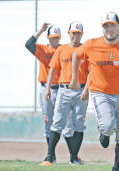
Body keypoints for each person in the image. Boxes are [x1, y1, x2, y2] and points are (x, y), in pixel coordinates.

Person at [71, 12, 119, 171]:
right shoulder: (91, 45)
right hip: (100, 92)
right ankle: (104, 131)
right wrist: (75, 79)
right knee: (109, 125)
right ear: (102, 28)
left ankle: (116, 169)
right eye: (106, 26)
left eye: (112, 25)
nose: (109, 29)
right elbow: (76, 55)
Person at [25, 23, 77, 162]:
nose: (55, 40)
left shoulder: (63, 50)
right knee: (48, 123)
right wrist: (41, 30)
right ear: (48, 37)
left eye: (57, 38)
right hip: (45, 89)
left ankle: (73, 155)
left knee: (67, 123)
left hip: (61, 89)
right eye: (52, 37)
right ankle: (51, 155)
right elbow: (29, 44)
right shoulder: (42, 49)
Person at [40, 21, 89, 166]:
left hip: (81, 91)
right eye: (73, 33)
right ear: (69, 34)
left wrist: (87, 89)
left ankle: (74, 158)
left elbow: (92, 72)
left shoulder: (86, 49)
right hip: (63, 90)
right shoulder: (61, 50)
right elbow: (53, 70)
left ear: (82, 34)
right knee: (57, 123)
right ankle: (50, 157)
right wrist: (48, 88)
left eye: (78, 33)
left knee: (78, 124)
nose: (76, 36)